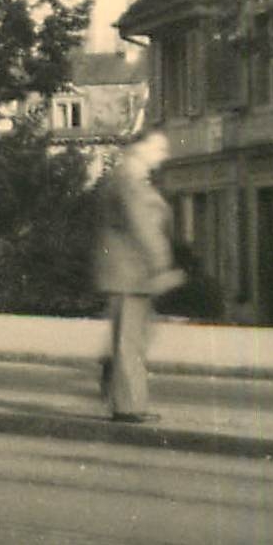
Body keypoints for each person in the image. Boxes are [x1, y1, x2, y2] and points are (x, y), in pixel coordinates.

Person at [93, 126, 185, 423]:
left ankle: (114, 379)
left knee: (133, 337)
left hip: (130, 271)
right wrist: (162, 264)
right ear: (138, 148)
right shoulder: (129, 182)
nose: (164, 155)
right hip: (131, 273)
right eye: (158, 148)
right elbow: (142, 226)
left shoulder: (126, 179)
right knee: (131, 341)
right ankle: (129, 406)